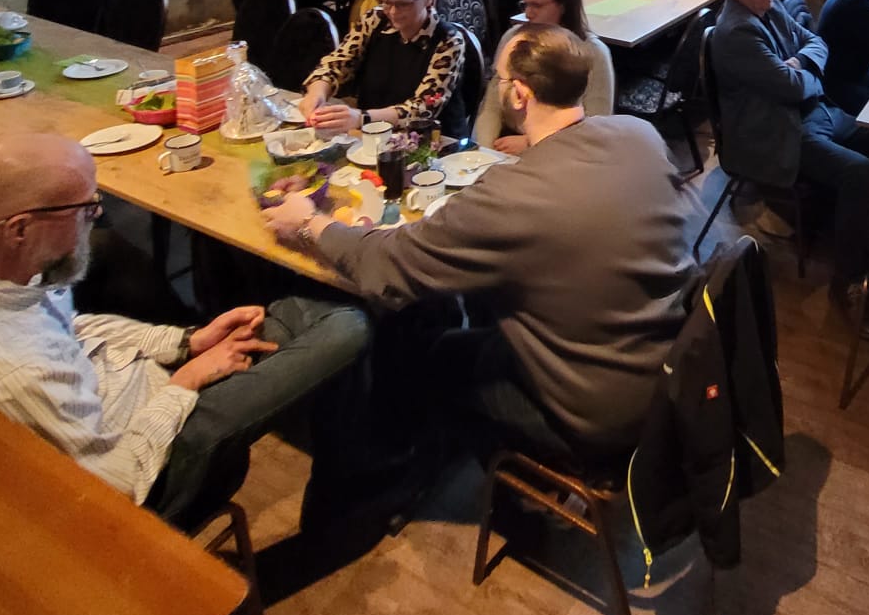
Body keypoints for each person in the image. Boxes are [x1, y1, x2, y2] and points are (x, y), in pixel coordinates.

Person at [0, 133, 370, 528]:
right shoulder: (17, 374)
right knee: (349, 323)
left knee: (298, 312)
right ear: (19, 228)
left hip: (122, 394)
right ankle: (350, 507)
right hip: (144, 469)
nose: (98, 213)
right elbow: (119, 486)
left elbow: (67, 326)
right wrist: (184, 382)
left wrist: (183, 342)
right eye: (85, 206)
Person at [266, 25, 696, 457]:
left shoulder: (511, 194)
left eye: (499, 78)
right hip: (673, 366)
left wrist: (309, 223)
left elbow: (386, 266)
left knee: (415, 355)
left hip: (599, 412)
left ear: (520, 94)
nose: (496, 86)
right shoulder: (639, 134)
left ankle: (399, 475)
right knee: (475, 313)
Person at [709, 0, 869, 294]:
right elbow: (793, 87)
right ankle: (848, 278)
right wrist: (805, 73)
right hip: (777, 131)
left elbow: (816, 41)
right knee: (859, 171)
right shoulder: (737, 32)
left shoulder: (769, 5)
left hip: (813, 111)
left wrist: (799, 62)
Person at [302, 0, 469, 138]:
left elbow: (423, 108)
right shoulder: (375, 19)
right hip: (374, 135)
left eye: (403, 4)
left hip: (432, 140)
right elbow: (337, 63)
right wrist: (317, 92)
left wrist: (362, 118)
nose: (393, 12)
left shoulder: (448, 40)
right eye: (386, 2)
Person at [473, 0, 614, 150]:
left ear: (563, 6)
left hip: (565, 147)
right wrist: (482, 151)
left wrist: (531, 142)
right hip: (508, 141)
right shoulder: (513, 38)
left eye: (537, 6)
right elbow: (492, 105)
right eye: (525, 5)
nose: (528, 14)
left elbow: (597, 123)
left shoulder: (594, 52)